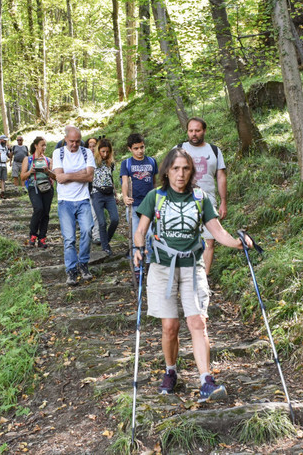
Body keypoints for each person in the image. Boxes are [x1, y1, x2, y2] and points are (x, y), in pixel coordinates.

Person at [132, 147, 251, 402]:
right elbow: (141, 229)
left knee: (198, 322)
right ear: (167, 171)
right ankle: (171, 371)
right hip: (163, 267)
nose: (180, 174)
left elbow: (217, 232)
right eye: (175, 168)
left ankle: (206, 380)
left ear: (191, 171)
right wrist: (138, 247)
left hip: (193, 265)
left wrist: (239, 243)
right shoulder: (155, 197)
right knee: (170, 327)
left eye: (185, 168)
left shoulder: (201, 197)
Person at [176, 117, 227, 276]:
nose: (194, 134)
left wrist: (223, 201)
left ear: (204, 131)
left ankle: (203, 281)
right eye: (191, 131)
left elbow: (221, 177)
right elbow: (169, 174)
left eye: (197, 130)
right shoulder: (178, 149)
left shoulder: (214, 150)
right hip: (183, 202)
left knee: (209, 241)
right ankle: (185, 279)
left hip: (208, 202)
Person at [53, 126, 96, 286]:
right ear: (66, 140)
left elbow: (90, 176)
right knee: (69, 238)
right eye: (71, 141)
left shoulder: (87, 153)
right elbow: (59, 178)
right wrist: (80, 175)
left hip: (83, 199)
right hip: (65, 201)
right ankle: (71, 270)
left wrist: (69, 175)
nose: (74, 145)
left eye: (78, 141)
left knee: (87, 231)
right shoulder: (59, 153)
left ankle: (83, 263)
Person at [120, 133, 158, 276]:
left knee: (150, 234)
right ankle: (137, 267)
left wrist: (157, 197)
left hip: (149, 204)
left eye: (142, 147)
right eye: (136, 148)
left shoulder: (152, 162)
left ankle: (149, 262)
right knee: (137, 233)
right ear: (130, 149)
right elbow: (124, 182)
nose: (140, 151)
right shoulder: (127, 163)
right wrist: (124, 196)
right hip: (134, 203)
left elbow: (154, 182)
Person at [21, 136, 56, 248]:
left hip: (47, 188)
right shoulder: (28, 159)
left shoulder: (48, 160)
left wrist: (48, 171)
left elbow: (55, 177)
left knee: (45, 212)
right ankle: (33, 235)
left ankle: (42, 238)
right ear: (36, 146)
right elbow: (22, 176)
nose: (44, 147)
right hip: (34, 186)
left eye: (45, 145)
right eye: (42, 145)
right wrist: (30, 171)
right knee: (38, 208)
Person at [91, 138, 119, 256]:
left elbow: (110, 177)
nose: (105, 154)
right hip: (97, 193)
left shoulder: (110, 163)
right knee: (102, 222)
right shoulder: (92, 162)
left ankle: (105, 240)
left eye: (107, 152)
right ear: (98, 151)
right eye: (103, 151)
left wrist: (115, 193)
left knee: (115, 219)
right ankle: (105, 248)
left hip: (109, 194)